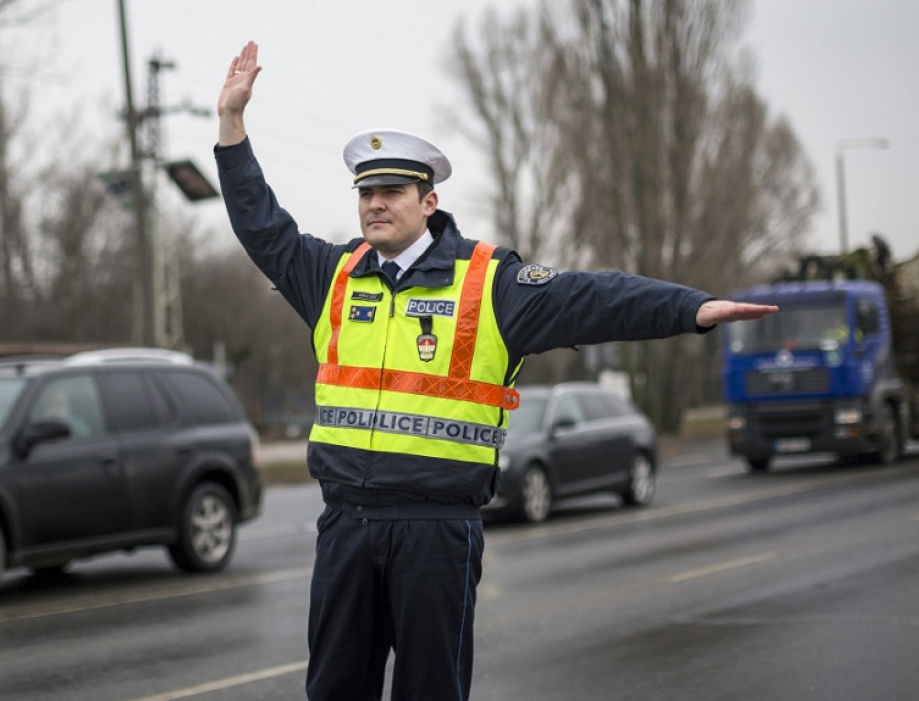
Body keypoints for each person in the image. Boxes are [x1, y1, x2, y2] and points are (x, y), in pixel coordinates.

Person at [214, 41, 778, 701]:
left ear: (429, 200)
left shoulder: (488, 283)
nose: (374, 203)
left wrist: (691, 308)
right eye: (366, 191)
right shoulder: (332, 276)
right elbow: (263, 228)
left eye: (391, 190)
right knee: (335, 689)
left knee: (432, 690)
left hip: (435, 531)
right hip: (345, 525)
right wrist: (231, 126)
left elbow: (590, 299)